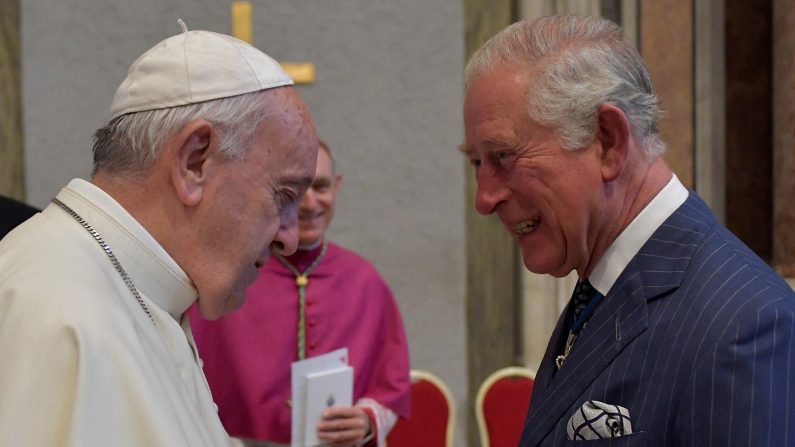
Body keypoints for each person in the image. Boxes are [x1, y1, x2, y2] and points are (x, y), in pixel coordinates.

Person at [463, 15, 795, 446]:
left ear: (607, 141)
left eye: (504, 155)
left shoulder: (742, 325)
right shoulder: (602, 287)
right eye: (476, 163)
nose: (483, 199)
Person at [0, 23, 318, 447]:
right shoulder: (63, 318)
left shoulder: (134, 290)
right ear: (194, 161)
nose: (290, 239)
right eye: (283, 194)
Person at [189, 140, 411, 447]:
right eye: (296, 192)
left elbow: (391, 385)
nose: (309, 205)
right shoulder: (230, 278)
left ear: (338, 185)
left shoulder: (364, 280)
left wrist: (366, 420)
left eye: (320, 187)